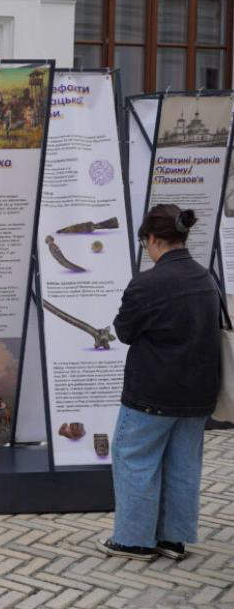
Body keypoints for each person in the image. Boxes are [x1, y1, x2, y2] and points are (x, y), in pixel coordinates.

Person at [98, 205, 221, 561]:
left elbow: (124, 331)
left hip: (151, 394)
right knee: (183, 465)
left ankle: (134, 541)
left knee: (134, 459)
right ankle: (172, 540)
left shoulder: (146, 284)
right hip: (197, 395)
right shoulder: (206, 278)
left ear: (151, 239)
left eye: (145, 242)